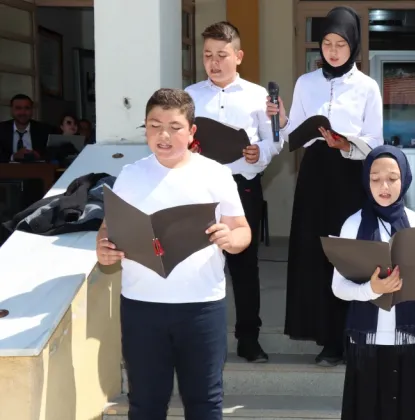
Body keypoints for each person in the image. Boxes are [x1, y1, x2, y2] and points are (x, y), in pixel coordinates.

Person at [96, 88, 251, 419]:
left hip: (201, 307)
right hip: (142, 308)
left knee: (204, 402)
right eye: (154, 125)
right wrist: (105, 248)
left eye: (174, 126)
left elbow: (242, 230)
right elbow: (108, 229)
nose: (163, 135)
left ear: (192, 131)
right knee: (145, 403)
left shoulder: (216, 174)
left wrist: (230, 237)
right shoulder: (131, 175)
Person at [283, 5, 384, 367]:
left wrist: (348, 143)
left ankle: (351, 334)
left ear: (353, 45)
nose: (333, 51)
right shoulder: (305, 83)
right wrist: (281, 124)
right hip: (314, 173)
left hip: (350, 174)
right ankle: (326, 338)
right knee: (315, 253)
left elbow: (376, 139)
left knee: (349, 254)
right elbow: (293, 132)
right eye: (327, 43)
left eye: (341, 43)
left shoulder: (367, 86)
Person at [186, 21, 285, 363]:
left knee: (244, 266)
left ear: (238, 56)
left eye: (222, 55)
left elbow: (275, 138)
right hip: (198, 191)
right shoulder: (190, 97)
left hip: (242, 187)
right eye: (208, 55)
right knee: (197, 264)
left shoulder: (259, 96)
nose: (214, 63)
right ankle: (200, 340)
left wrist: (260, 153)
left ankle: (249, 338)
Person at [332, 145, 415, 420]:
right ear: (366, 180)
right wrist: (372, 289)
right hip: (367, 341)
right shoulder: (352, 225)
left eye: (392, 177)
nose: (384, 186)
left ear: (405, 178)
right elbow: (338, 287)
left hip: (409, 339)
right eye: (375, 178)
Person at [0, 94, 52, 162]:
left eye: (27, 108)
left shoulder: (45, 129)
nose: (23, 112)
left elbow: (53, 154)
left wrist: (40, 156)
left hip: (37, 171)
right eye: (18, 108)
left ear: (32, 110)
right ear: (11, 110)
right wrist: (13, 157)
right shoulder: (1, 129)